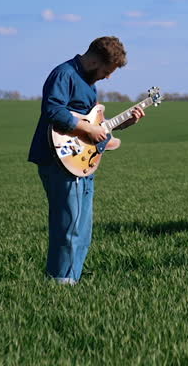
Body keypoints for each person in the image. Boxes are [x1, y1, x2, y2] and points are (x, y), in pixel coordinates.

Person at [27, 36, 145, 284]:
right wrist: (86, 129)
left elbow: (94, 127)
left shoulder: (89, 84)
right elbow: (53, 110)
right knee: (68, 226)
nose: (108, 77)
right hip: (58, 160)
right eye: (106, 71)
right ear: (94, 60)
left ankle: (72, 278)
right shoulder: (64, 74)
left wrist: (122, 124)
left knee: (82, 228)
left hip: (81, 163)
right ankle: (61, 283)